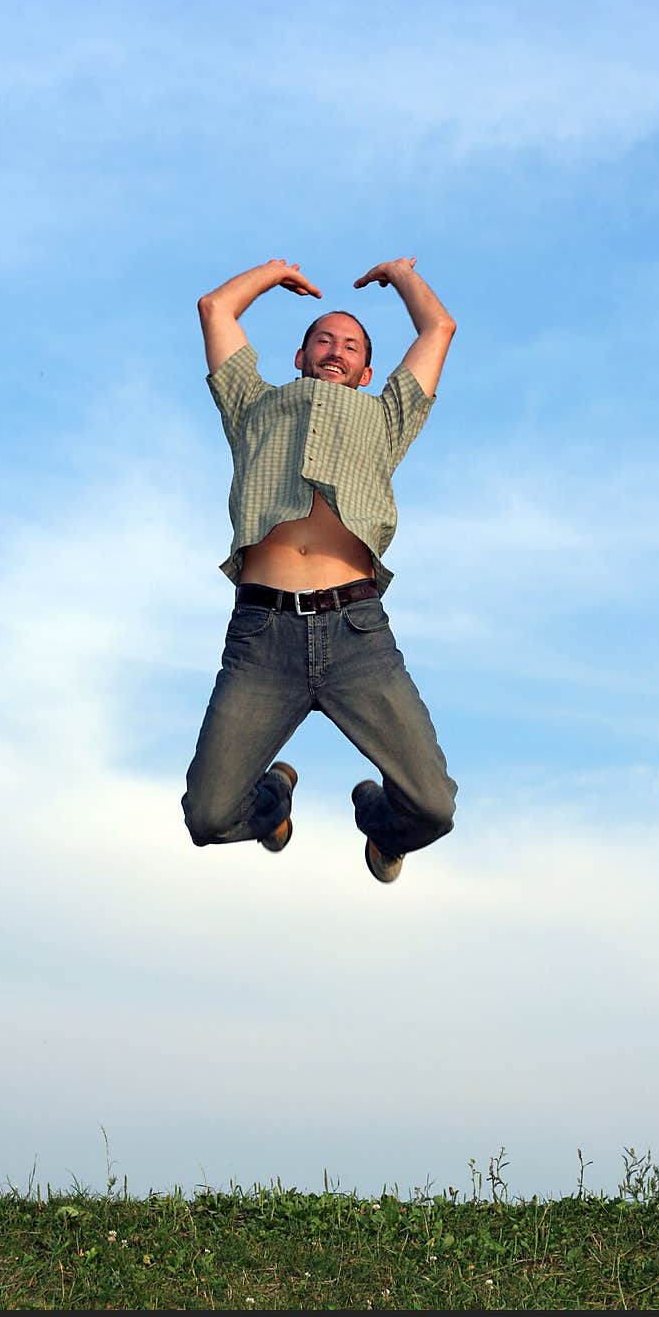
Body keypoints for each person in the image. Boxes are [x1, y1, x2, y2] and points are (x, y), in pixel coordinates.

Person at [181, 255, 458, 882]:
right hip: (262, 639)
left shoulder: (385, 417)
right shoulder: (253, 406)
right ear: (300, 359)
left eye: (351, 346)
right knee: (209, 816)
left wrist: (402, 274)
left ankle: (375, 818)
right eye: (322, 340)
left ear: (364, 373)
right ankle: (274, 802)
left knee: (433, 807)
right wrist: (273, 272)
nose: (336, 350)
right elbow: (215, 308)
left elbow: (437, 329)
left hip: (356, 633)